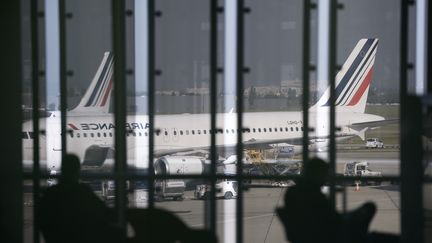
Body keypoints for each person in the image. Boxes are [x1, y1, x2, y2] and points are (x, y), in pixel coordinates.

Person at [276, 157, 377, 243]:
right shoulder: (314, 196)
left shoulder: (293, 191)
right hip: (323, 236)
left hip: (309, 235)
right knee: (369, 209)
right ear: (316, 175)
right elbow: (332, 220)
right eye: (324, 174)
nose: (325, 178)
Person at [38, 154, 124, 243]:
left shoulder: (50, 193)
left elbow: (42, 221)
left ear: (63, 170)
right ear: (77, 170)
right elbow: (104, 212)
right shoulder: (82, 191)